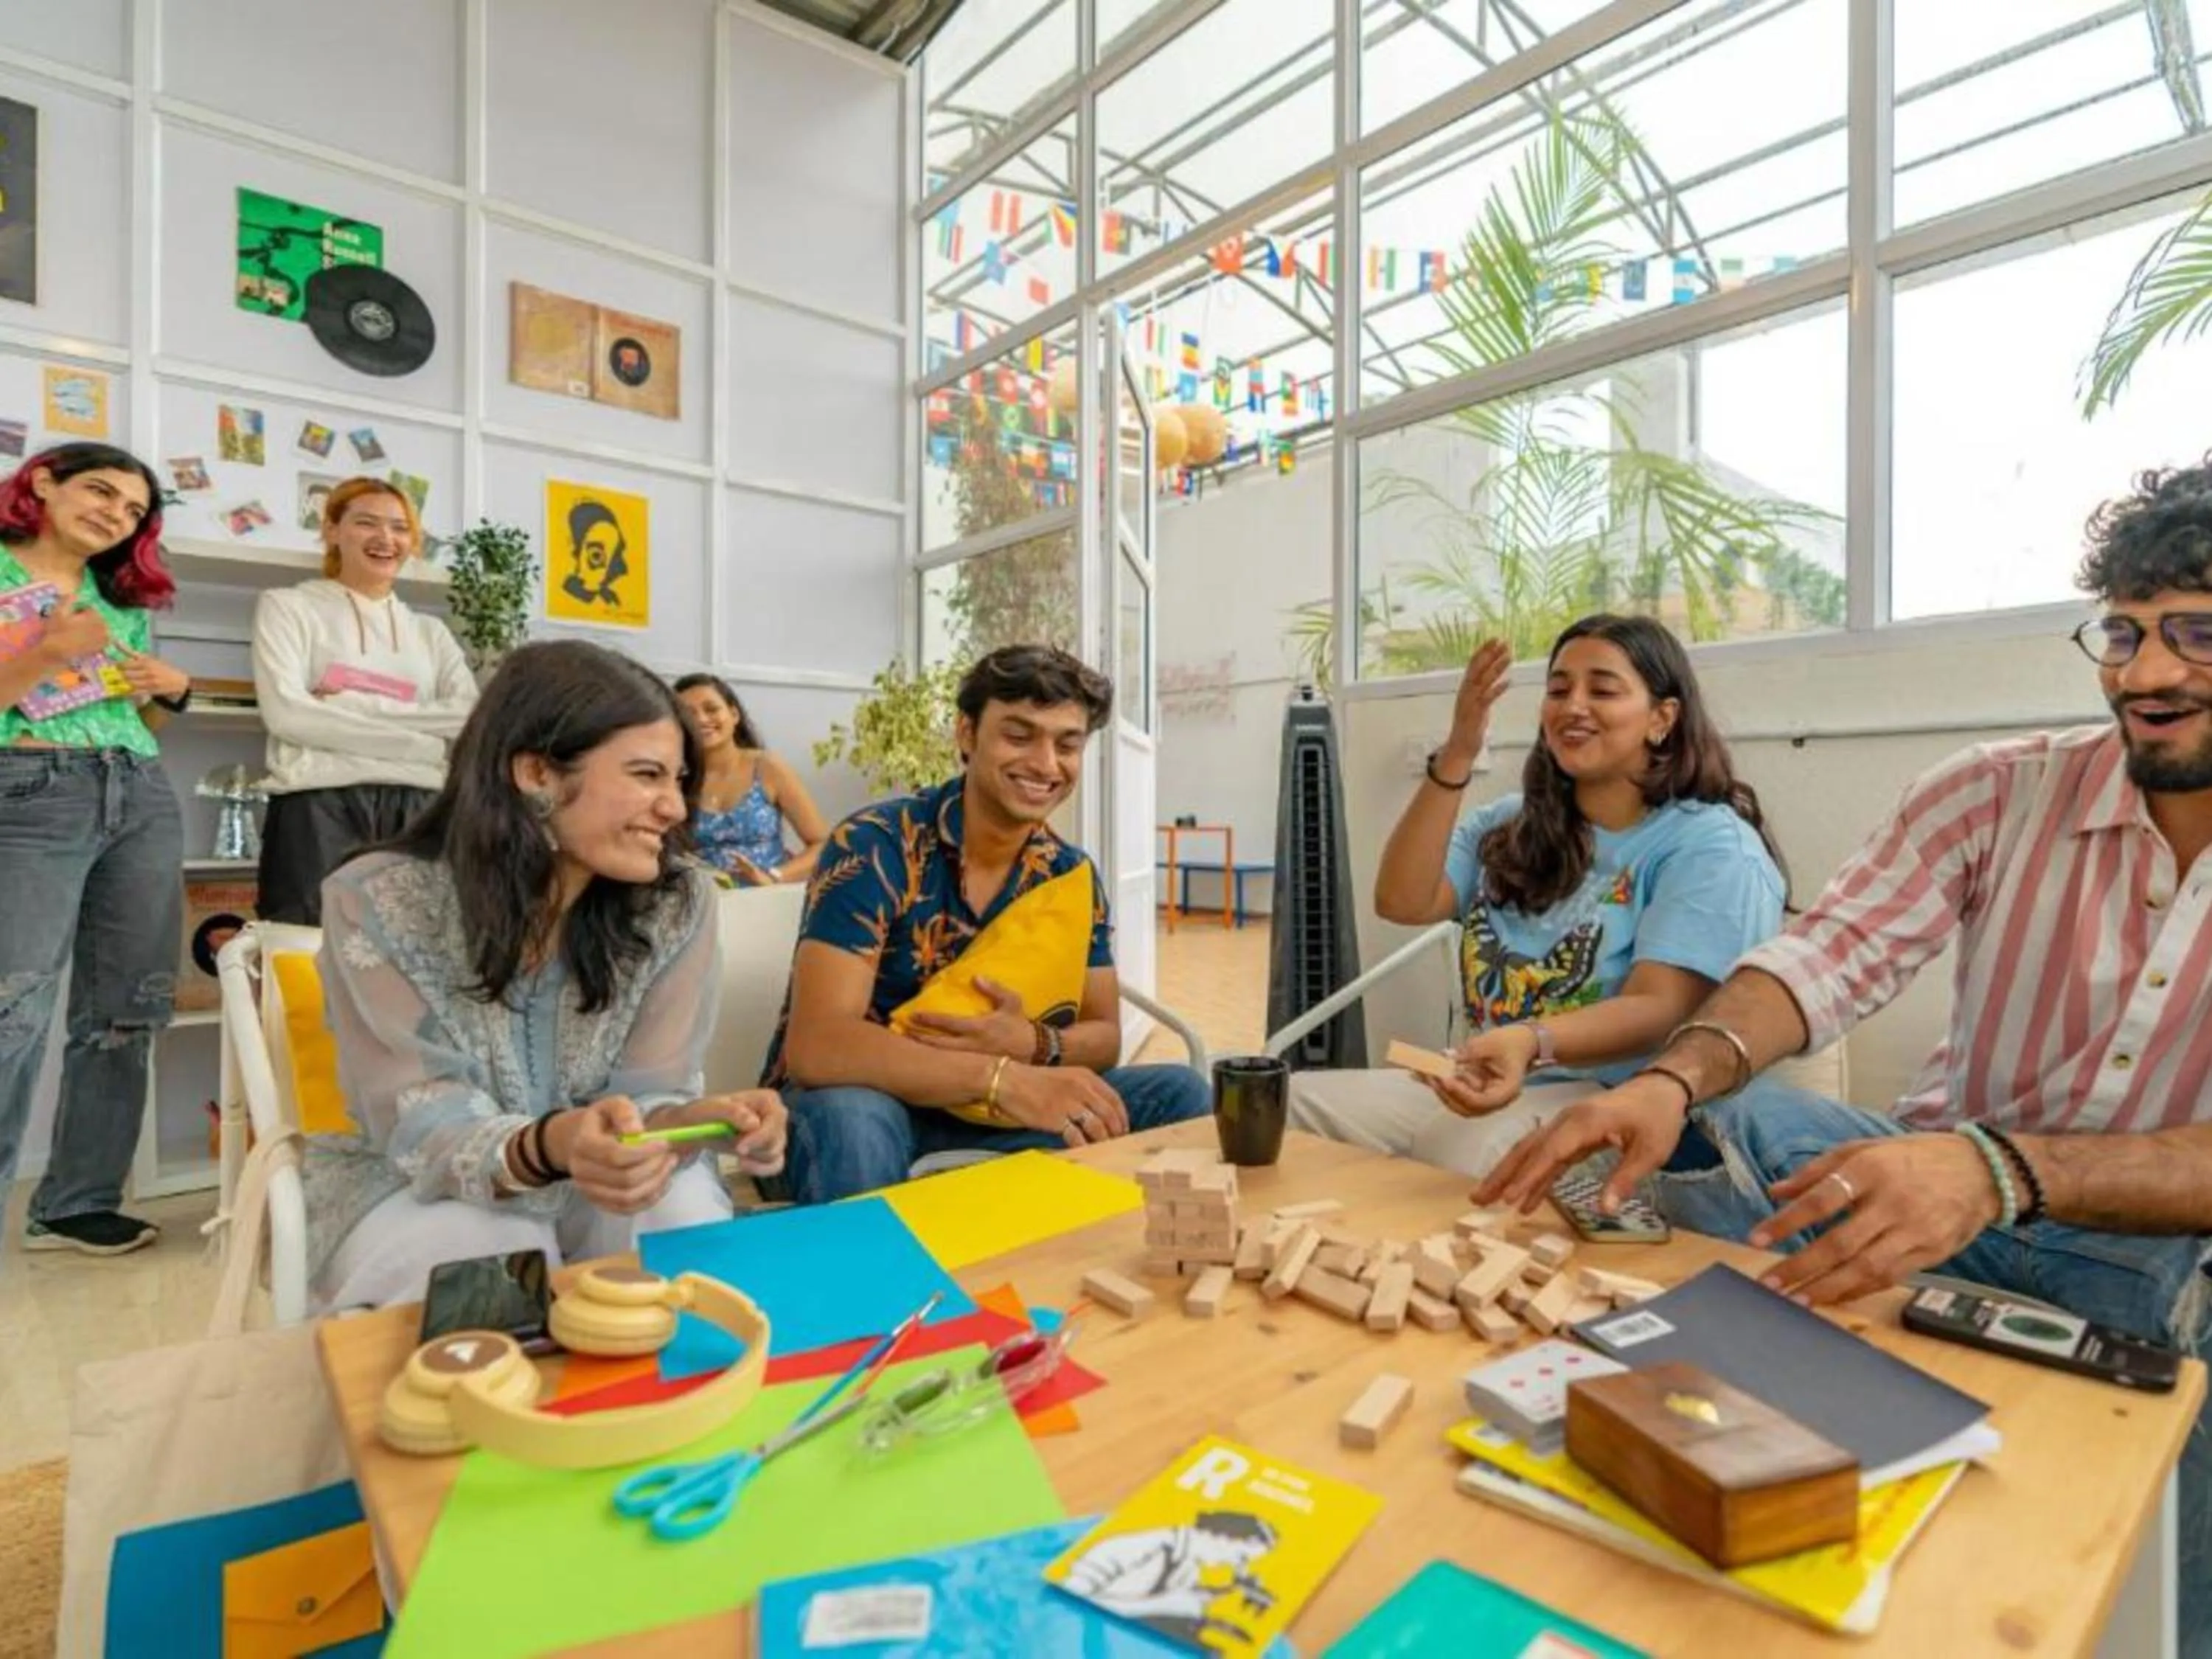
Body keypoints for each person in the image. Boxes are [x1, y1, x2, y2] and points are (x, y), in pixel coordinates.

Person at [1477, 457, 2212, 1653]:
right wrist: (1671, 1079)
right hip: (1946, 1185)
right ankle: (1734, 1460)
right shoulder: (1997, 791)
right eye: (2124, 633)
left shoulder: (1701, 837)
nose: (2150, 672)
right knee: (1750, 1122)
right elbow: (1830, 955)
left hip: (2168, 1242)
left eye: (2195, 632)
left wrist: (1996, 1170)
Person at [307, 639, 787, 1311]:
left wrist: (695, 1119)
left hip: (600, 1181)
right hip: (424, 1187)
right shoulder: (377, 898)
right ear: (536, 772)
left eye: (679, 781)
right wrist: (551, 1145)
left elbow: (650, 1093)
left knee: (670, 1213)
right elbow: (424, 1122)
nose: (676, 808)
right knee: (476, 1253)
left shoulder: (677, 904)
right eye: (648, 775)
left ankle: (681, 1406)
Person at [1289, 618, 1786, 1179]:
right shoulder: (1512, 823)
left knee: (1458, 1150)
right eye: (1557, 689)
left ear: (1662, 719)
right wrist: (1458, 751)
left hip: (1626, 1099)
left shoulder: (1711, 845)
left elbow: (1662, 1008)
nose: (1573, 705)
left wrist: (1531, 1042)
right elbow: (1402, 901)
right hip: (1493, 1079)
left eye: (1601, 690)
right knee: (1292, 1105)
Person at [768, 645, 1211, 1204]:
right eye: (1019, 736)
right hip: (868, 1102)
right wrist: (1001, 1078)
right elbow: (820, 1047)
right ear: (967, 734)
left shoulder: (1068, 874)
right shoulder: (876, 845)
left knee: (1179, 1093)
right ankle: (884, 1293)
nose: (1046, 765)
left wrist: (1032, 1043)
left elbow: (1104, 1038)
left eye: (1067, 744)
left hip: (991, 1114)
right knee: (852, 1118)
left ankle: (1116, 1274)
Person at [0, 443, 192, 1256]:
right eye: (100, 491)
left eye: (133, 510)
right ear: (41, 482)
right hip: (30, 790)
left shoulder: (122, 601)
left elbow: (127, 720)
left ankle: (77, 1202)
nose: (115, 514)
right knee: (13, 1005)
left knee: (128, 1006)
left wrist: (172, 696)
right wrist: (47, 650)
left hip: (137, 790)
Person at [251, 476, 477, 926]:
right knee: (304, 951)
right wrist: (424, 745)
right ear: (333, 530)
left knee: (419, 954)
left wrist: (349, 704)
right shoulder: (287, 607)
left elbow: (470, 717)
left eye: (399, 528)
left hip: (423, 809)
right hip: (317, 804)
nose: (385, 539)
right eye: (367, 523)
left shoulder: (430, 633)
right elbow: (287, 715)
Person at [673, 673, 829, 886]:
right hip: (703, 906)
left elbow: (822, 844)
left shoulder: (768, 768)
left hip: (766, 901)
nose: (701, 719)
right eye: (689, 715)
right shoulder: (676, 777)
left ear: (734, 714)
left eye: (711, 709)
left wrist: (775, 877)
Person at [561, 499, 628, 611]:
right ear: (575, 552)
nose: (606, 570)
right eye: (596, 556)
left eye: (614, 556)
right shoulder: (565, 597)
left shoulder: (611, 601)